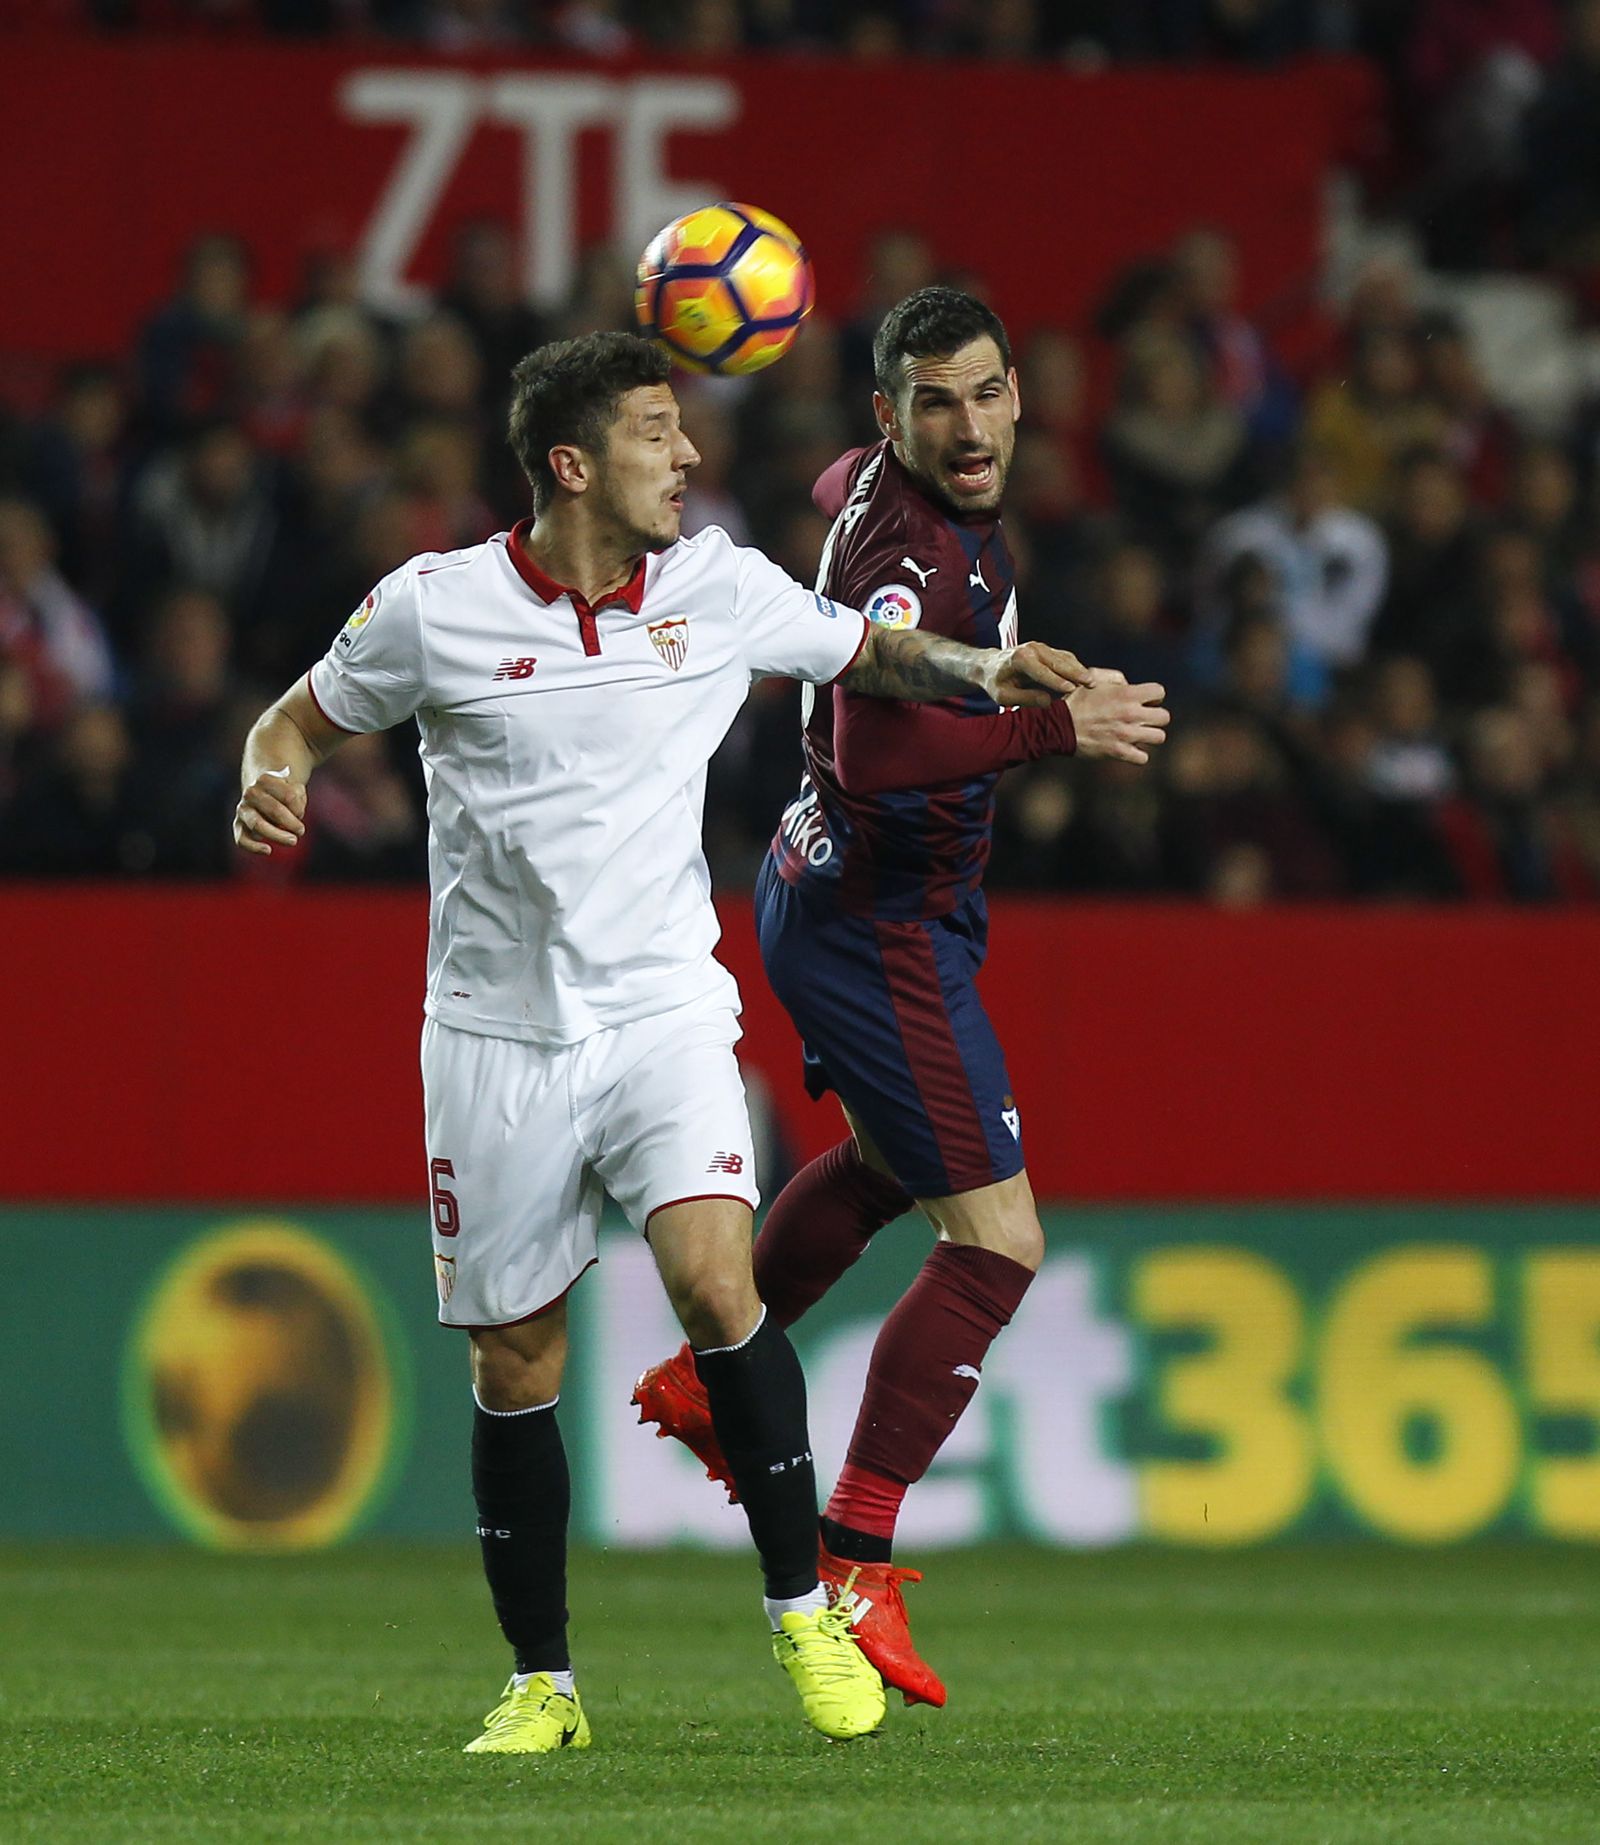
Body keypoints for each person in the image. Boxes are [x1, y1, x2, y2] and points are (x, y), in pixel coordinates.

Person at [232, 329, 1099, 1754]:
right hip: (494, 1036)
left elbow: (869, 649)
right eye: (657, 432)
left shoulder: (719, 584)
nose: (689, 455)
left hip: (663, 1013)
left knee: (713, 1280)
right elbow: (293, 725)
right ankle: (544, 1687)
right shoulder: (432, 609)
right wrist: (266, 781)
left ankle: (802, 1612)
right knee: (516, 1366)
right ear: (573, 464)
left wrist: (987, 670)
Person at [634, 289, 1169, 1707]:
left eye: (988, 393)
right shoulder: (913, 554)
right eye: (938, 403)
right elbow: (875, 749)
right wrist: (1050, 726)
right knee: (998, 1242)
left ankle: (705, 1376)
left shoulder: (882, 486)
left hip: (845, 892)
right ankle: (857, 1552)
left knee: (887, 1161)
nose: (972, 426)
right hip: (878, 921)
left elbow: (829, 488)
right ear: (892, 415)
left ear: (1016, 392)